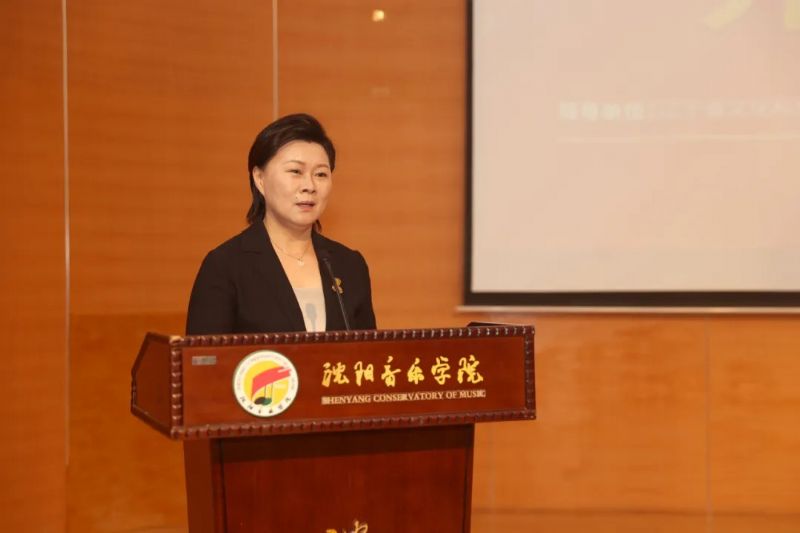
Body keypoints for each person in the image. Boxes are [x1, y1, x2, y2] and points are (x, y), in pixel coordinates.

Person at [186, 113, 376, 335]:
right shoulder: (225, 266)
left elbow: (369, 354)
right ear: (260, 179)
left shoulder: (349, 265)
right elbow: (204, 355)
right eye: (296, 171)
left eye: (321, 174)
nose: (309, 186)